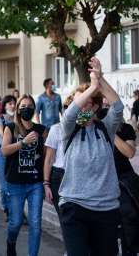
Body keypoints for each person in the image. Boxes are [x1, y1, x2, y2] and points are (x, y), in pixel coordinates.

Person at [58, 57, 123, 256]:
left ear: (95, 106)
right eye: (78, 103)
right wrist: (90, 87)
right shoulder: (69, 129)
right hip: (74, 206)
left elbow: (118, 107)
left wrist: (100, 79)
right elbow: (70, 115)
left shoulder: (106, 128)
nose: (81, 108)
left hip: (107, 208)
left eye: (87, 103)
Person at [2, 94, 47, 256]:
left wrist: (47, 182)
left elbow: (47, 156)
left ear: (34, 109)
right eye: (23, 106)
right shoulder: (10, 127)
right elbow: (4, 151)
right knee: (16, 222)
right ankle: (11, 241)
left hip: (35, 182)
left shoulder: (41, 130)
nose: (26, 109)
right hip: (16, 182)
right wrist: (23, 142)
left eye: (29, 106)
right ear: (18, 110)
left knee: (35, 223)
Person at [97, 98, 139, 255]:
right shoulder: (95, 127)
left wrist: (111, 131)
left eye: (111, 106)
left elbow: (130, 152)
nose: (108, 109)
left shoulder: (125, 128)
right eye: (105, 106)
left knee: (129, 219)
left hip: (124, 180)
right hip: (102, 181)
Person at [0, 95, 16, 214]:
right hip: (1, 153)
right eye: (10, 103)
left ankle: (16, 210)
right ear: (5, 105)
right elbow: (1, 132)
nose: (12, 105)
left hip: (15, 153)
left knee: (15, 185)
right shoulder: (0, 118)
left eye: (14, 103)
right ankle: (7, 208)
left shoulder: (18, 118)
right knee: (4, 186)